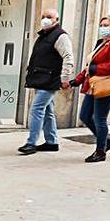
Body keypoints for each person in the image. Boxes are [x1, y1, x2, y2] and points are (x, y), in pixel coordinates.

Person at [70, 16, 110, 163]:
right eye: (101, 25)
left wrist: (95, 68)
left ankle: (100, 151)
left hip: (106, 86)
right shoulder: (102, 43)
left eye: (106, 25)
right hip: (93, 86)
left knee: (99, 119)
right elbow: (89, 66)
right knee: (85, 116)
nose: (102, 28)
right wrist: (78, 80)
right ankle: (106, 141)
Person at [19, 9, 74, 156]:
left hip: (50, 80)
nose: (45, 19)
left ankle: (31, 143)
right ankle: (52, 142)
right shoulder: (44, 35)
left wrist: (64, 78)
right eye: (43, 17)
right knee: (48, 111)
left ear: (56, 19)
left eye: (49, 17)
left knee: (36, 109)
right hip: (41, 79)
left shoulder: (60, 36)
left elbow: (68, 58)